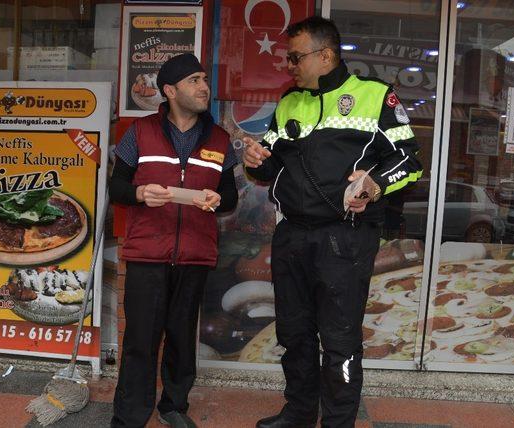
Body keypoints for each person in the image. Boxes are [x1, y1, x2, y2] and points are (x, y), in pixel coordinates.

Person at [243, 17, 422, 428]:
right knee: (294, 334)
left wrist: (375, 185)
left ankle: (338, 421)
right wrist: (256, 162)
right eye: (287, 58)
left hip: (345, 239)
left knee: (340, 341)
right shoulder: (289, 102)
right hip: (291, 237)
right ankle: (299, 412)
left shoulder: (375, 96)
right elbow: (269, 169)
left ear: (325, 55)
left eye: (295, 57)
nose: (288, 65)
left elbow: (410, 161)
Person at [110, 53, 238, 428]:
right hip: (148, 252)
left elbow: (229, 195)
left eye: (204, 79)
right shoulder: (140, 132)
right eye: (195, 80)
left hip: (195, 253)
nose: (204, 87)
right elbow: (117, 186)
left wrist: (218, 200)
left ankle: (173, 407)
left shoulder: (219, 138)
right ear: (170, 90)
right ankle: (130, 414)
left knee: (182, 338)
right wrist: (138, 193)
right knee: (140, 340)